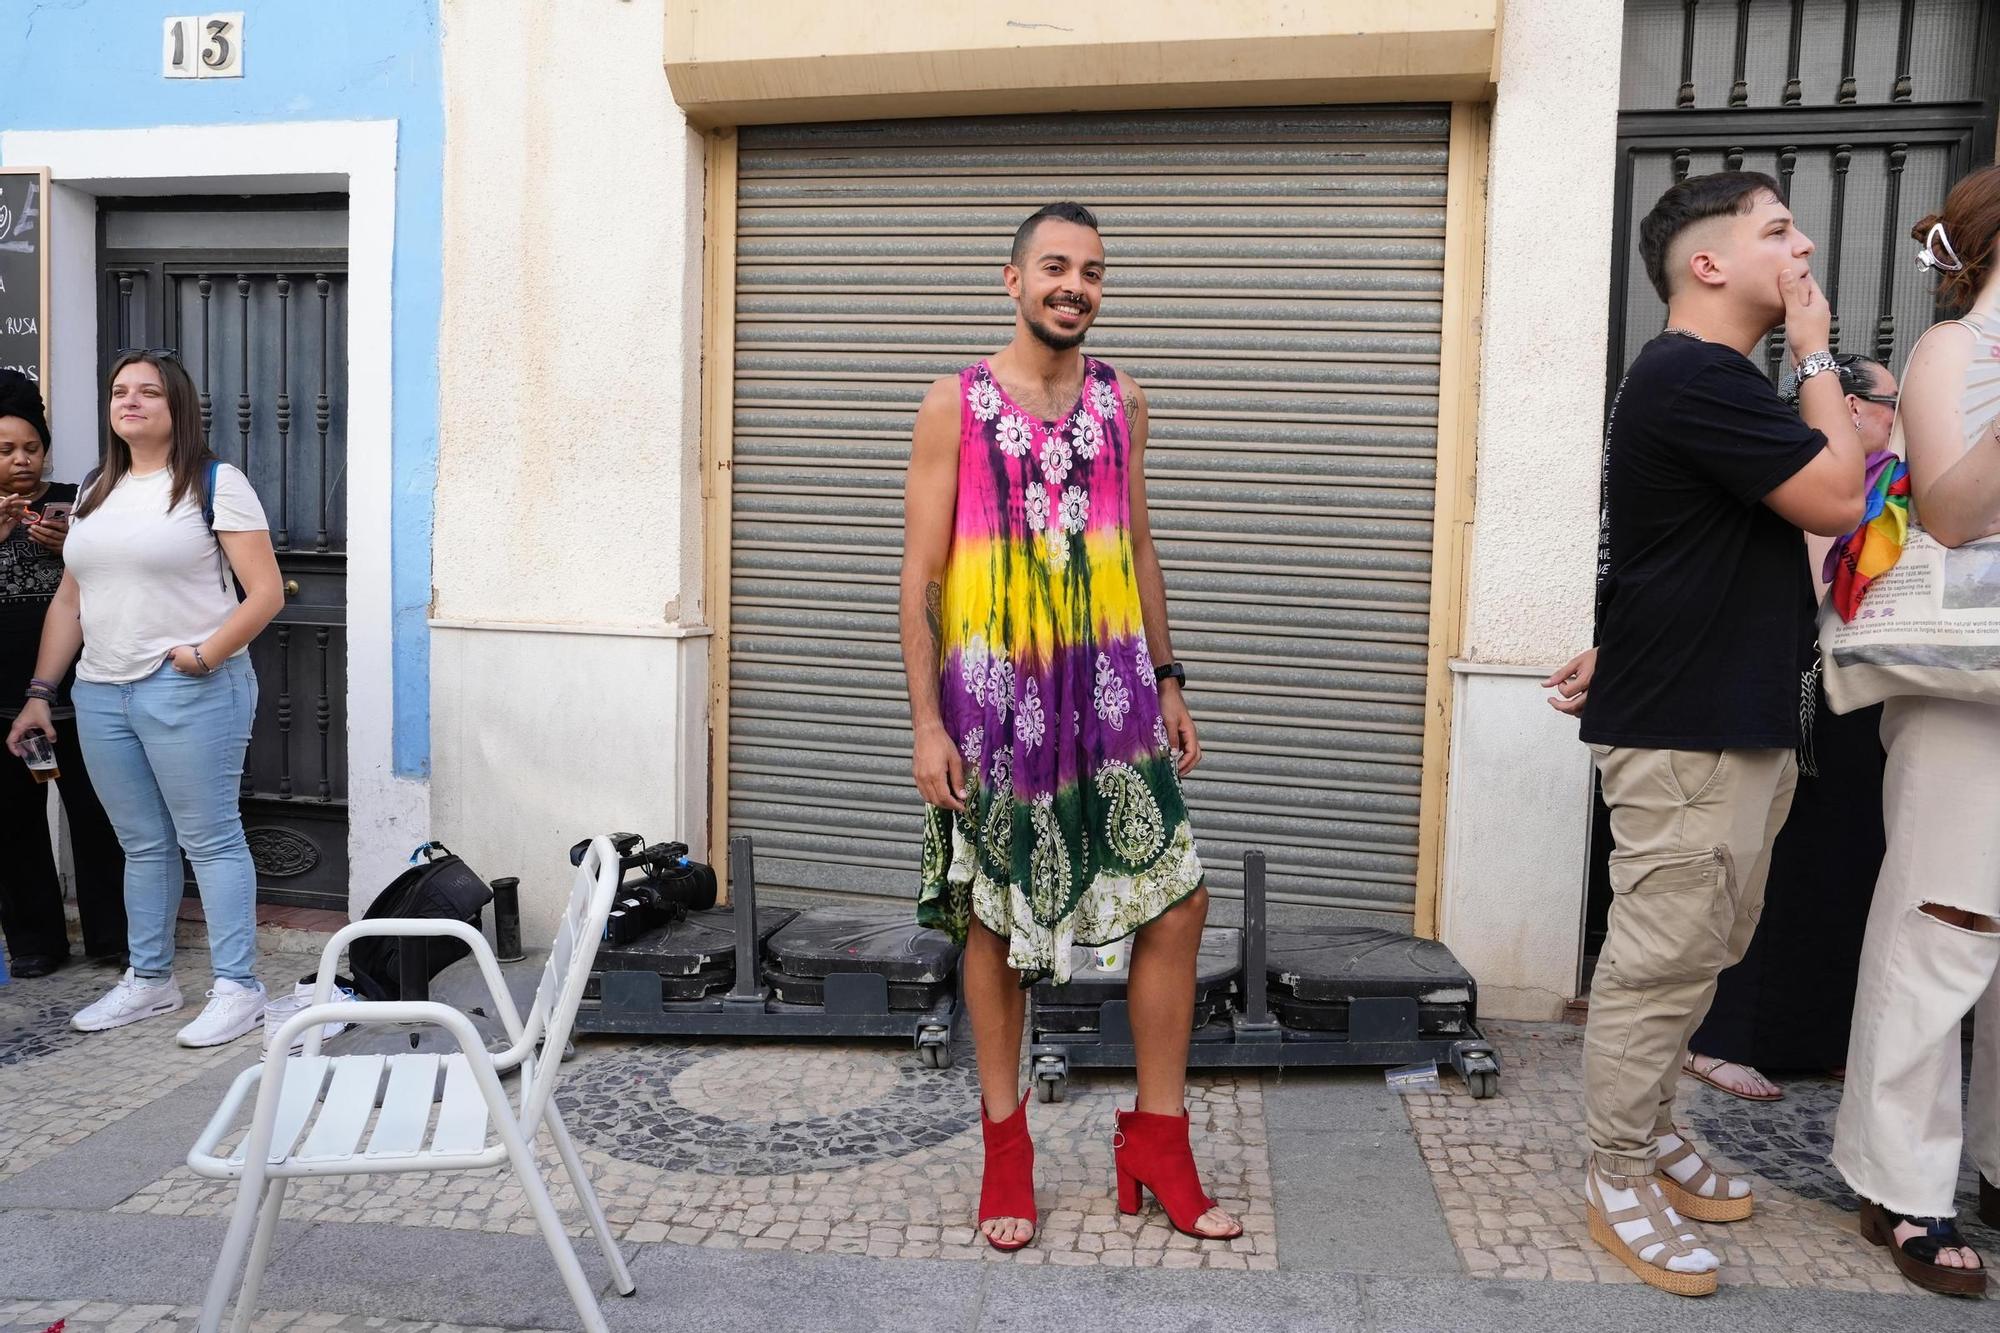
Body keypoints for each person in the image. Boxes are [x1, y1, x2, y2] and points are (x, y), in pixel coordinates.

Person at [1543, 171, 1866, 1296]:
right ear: (1706, 263)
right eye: (1777, 229)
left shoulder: (1701, 382)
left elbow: (1656, 550)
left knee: (1699, 956)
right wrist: (1817, 356)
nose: (1804, 245)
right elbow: (1836, 498)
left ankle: (1656, 1128)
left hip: (1721, 716)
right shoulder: (1692, 373)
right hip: (1689, 732)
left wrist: (1609, 648)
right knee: (1655, 965)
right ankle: (1615, 1172)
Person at [900, 202, 1241, 1251]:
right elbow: (918, 576)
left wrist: (1171, 677)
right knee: (997, 927)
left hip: (1114, 701)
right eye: (1054, 266)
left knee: (1175, 902)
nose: (1074, 285)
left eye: (1091, 271)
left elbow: (1137, 546)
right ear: (1011, 280)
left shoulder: (1123, 401)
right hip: (995, 707)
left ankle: (1156, 1138)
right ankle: (1007, 1150)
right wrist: (924, 723)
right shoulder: (950, 405)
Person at [6, 351, 284, 1047]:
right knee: (141, 843)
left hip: (189, 688)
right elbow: (72, 597)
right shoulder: (99, 487)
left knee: (212, 837)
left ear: (177, 407)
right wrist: (42, 692)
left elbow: (267, 592)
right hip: (101, 692)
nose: (129, 401)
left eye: (148, 392)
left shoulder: (215, 483)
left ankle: (238, 987)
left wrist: (203, 655)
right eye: (119, 391)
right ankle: (150, 977)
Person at [1831, 167, 2000, 1297]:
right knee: (1945, 921)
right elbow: (1944, 509)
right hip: (1964, 681)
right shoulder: (1953, 351)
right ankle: (1898, 1180)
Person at [1681, 354, 1900, 1102]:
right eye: (1890, 402)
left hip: (1868, 692)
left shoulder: (1890, 481)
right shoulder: (1799, 465)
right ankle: (1721, 1038)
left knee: (1850, 860)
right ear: (1846, 404)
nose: (1900, 417)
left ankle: (1818, 1036)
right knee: (1767, 863)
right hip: (1792, 686)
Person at [0, 371, 127, 978]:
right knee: (12, 826)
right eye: (5, 451)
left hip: (82, 693)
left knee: (99, 818)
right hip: (3, 704)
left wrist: (70, 547)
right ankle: (35, 942)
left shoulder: (82, 501)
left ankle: (113, 938)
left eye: (32, 448)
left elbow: (119, 578)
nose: (22, 461)